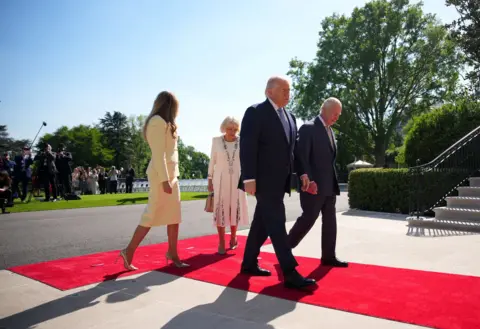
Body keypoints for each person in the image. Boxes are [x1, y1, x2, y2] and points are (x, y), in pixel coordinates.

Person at [238, 76, 316, 290]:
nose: (287, 94)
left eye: (289, 90)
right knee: (277, 222)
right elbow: (247, 146)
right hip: (262, 180)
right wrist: (249, 178)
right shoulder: (255, 112)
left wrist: (302, 174)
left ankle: (248, 263)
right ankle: (289, 271)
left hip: (281, 180)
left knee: (262, 223)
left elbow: (294, 151)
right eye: (283, 90)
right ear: (269, 92)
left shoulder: (290, 117)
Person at [118, 91, 189, 270]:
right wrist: (165, 180)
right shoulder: (156, 122)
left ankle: (173, 253)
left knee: (174, 216)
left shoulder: (168, 124)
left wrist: (171, 178)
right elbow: (158, 155)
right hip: (161, 175)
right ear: (170, 105)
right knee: (151, 214)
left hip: (172, 174)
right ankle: (128, 251)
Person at [288, 97, 348, 267]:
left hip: (329, 186)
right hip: (312, 185)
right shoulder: (309, 128)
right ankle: (285, 249)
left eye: (339, 114)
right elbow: (301, 155)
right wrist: (307, 178)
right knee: (308, 218)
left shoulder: (331, 131)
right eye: (335, 113)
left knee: (330, 221)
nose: (337, 117)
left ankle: (328, 256)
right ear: (325, 110)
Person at [207, 116, 249, 254]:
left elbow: (246, 161)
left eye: (235, 129)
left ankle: (233, 237)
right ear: (224, 128)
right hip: (220, 179)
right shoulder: (216, 141)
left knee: (234, 208)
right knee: (221, 211)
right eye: (230, 129)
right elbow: (212, 161)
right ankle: (221, 241)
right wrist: (209, 179)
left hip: (237, 179)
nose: (232, 132)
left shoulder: (242, 141)